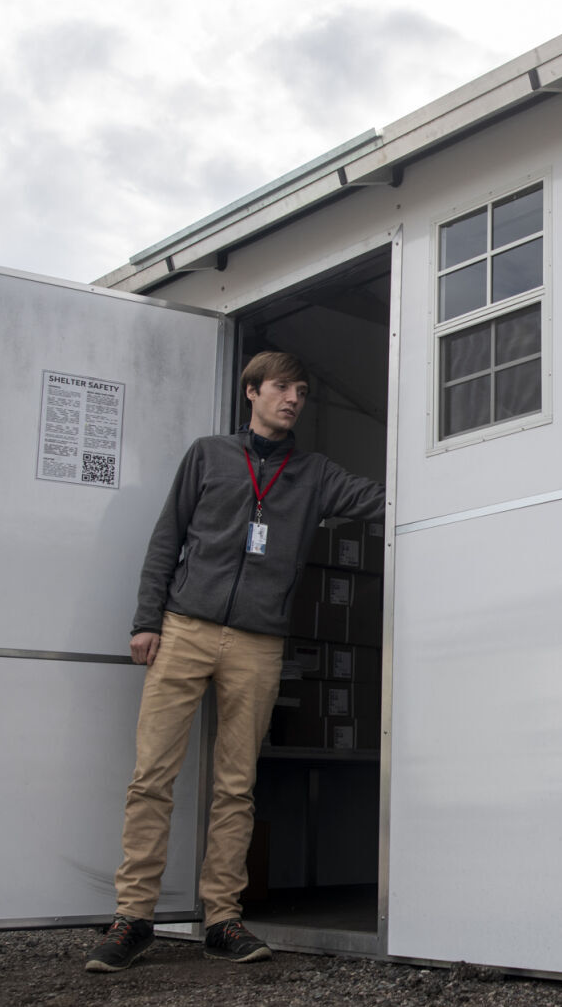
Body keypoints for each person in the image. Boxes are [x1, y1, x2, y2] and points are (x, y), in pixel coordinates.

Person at [84, 350, 385, 973]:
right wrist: (147, 620)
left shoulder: (316, 474)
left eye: (302, 390)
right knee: (152, 776)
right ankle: (133, 919)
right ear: (252, 392)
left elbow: (379, 499)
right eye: (281, 387)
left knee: (236, 785)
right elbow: (167, 537)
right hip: (185, 628)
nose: (294, 398)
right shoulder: (208, 455)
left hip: (258, 641)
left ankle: (222, 919)